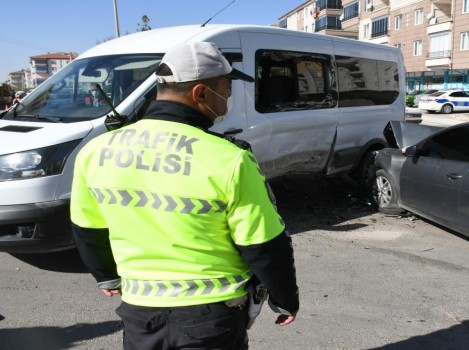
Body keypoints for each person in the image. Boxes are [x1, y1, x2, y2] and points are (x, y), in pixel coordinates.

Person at [70, 41, 299, 350]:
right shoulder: (228, 159)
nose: (228, 98)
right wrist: (284, 298)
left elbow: (87, 226)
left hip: (140, 313)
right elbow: (263, 242)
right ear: (200, 93)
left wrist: (106, 275)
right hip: (212, 315)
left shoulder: (96, 152)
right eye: (226, 89)